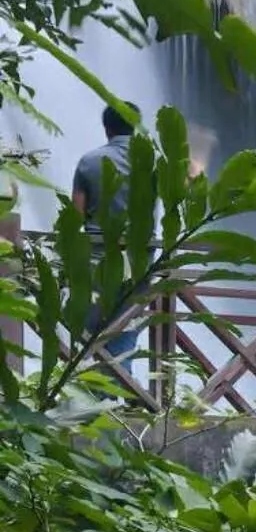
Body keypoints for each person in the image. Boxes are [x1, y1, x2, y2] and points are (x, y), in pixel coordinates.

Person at [71, 102, 139, 362]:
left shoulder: (88, 162)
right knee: (124, 335)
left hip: (96, 263)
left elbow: (75, 217)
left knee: (89, 339)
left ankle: (91, 385)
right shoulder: (153, 165)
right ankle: (123, 380)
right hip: (138, 264)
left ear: (106, 128)